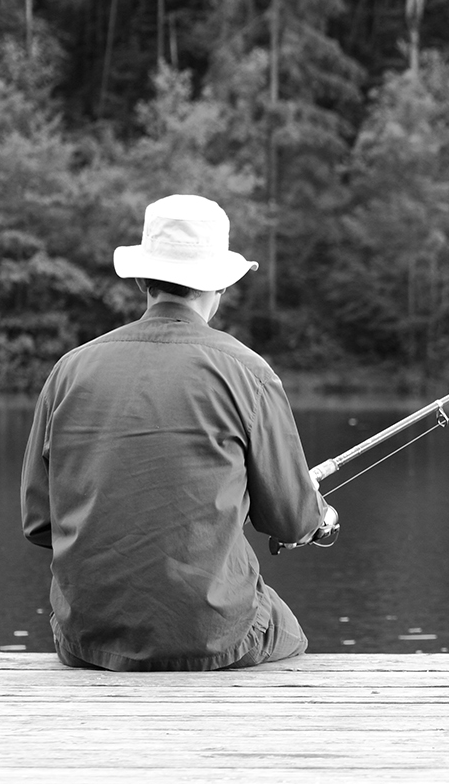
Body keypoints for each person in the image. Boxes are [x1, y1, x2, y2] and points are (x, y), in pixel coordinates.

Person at [20, 194, 338, 671]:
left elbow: (39, 523)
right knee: (287, 630)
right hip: (216, 635)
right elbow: (292, 522)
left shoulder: (70, 370)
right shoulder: (247, 372)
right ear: (219, 286)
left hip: (85, 638)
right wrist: (322, 517)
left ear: (144, 280)